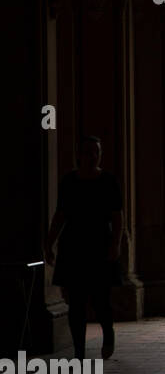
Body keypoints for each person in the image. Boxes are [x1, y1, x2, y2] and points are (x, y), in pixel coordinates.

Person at [43, 136, 123, 359]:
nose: (92, 156)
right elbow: (60, 215)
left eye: (96, 152)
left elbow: (117, 217)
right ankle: (79, 349)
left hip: (99, 243)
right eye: (88, 152)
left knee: (101, 299)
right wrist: (49, 243)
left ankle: (108, 333)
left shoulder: (108, 181)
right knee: (75, 302)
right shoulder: (68, 182)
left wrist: (115, 243)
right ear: (78, 155)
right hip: (74, 245)